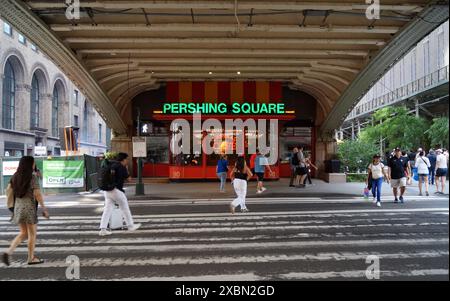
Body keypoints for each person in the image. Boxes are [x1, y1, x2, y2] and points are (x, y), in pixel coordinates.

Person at [2, 156, 49, 266]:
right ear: (29, 164)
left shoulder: (15, 176)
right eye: (33, 163)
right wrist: (44, 208)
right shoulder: (32, 178)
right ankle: (31, 258)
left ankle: (8, 252)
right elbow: (37, 194)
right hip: (29, 208)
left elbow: (8, 190)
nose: (34, 165)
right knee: (32, 234)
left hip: (18, 208)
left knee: (23, 233)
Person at [99, 152, 141, 236]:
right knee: (125, 208)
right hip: (116, 190)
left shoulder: (111, 165)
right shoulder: (121, 167)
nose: (127, 161)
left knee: (107, 210)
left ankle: (103, 229)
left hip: (107, 191)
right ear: (124, 159)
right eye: (127, 160)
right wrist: (127, 171)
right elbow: (129, 179)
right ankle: (130, 226)